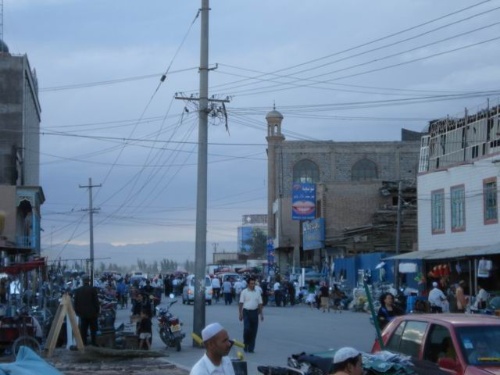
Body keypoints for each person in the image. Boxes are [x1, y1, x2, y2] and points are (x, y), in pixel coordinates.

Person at [73, 275, 100, 346]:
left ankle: (84, 344)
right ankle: (94, 343)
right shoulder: (93, 290)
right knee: (93, 330)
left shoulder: (78, 291)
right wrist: (97, 311)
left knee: (83, 330)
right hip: (92, 314)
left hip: (82, 314)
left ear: (82, 281)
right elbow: (96, 302)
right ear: (89, 281)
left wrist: (77, 312)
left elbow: (75, 303)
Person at [238, 277, 264, 353]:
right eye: (251, 283)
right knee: (247, 329)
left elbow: (260, 303)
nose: (253, 285)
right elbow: (241, 303)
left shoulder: (257, 292)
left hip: (255, 312)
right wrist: (240, 314)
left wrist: (261, 314)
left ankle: (251, 348)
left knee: (254, 331)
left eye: (254, 283)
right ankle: (245, 344)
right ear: (248, 284)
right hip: (246, 312)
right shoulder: (244, 292)